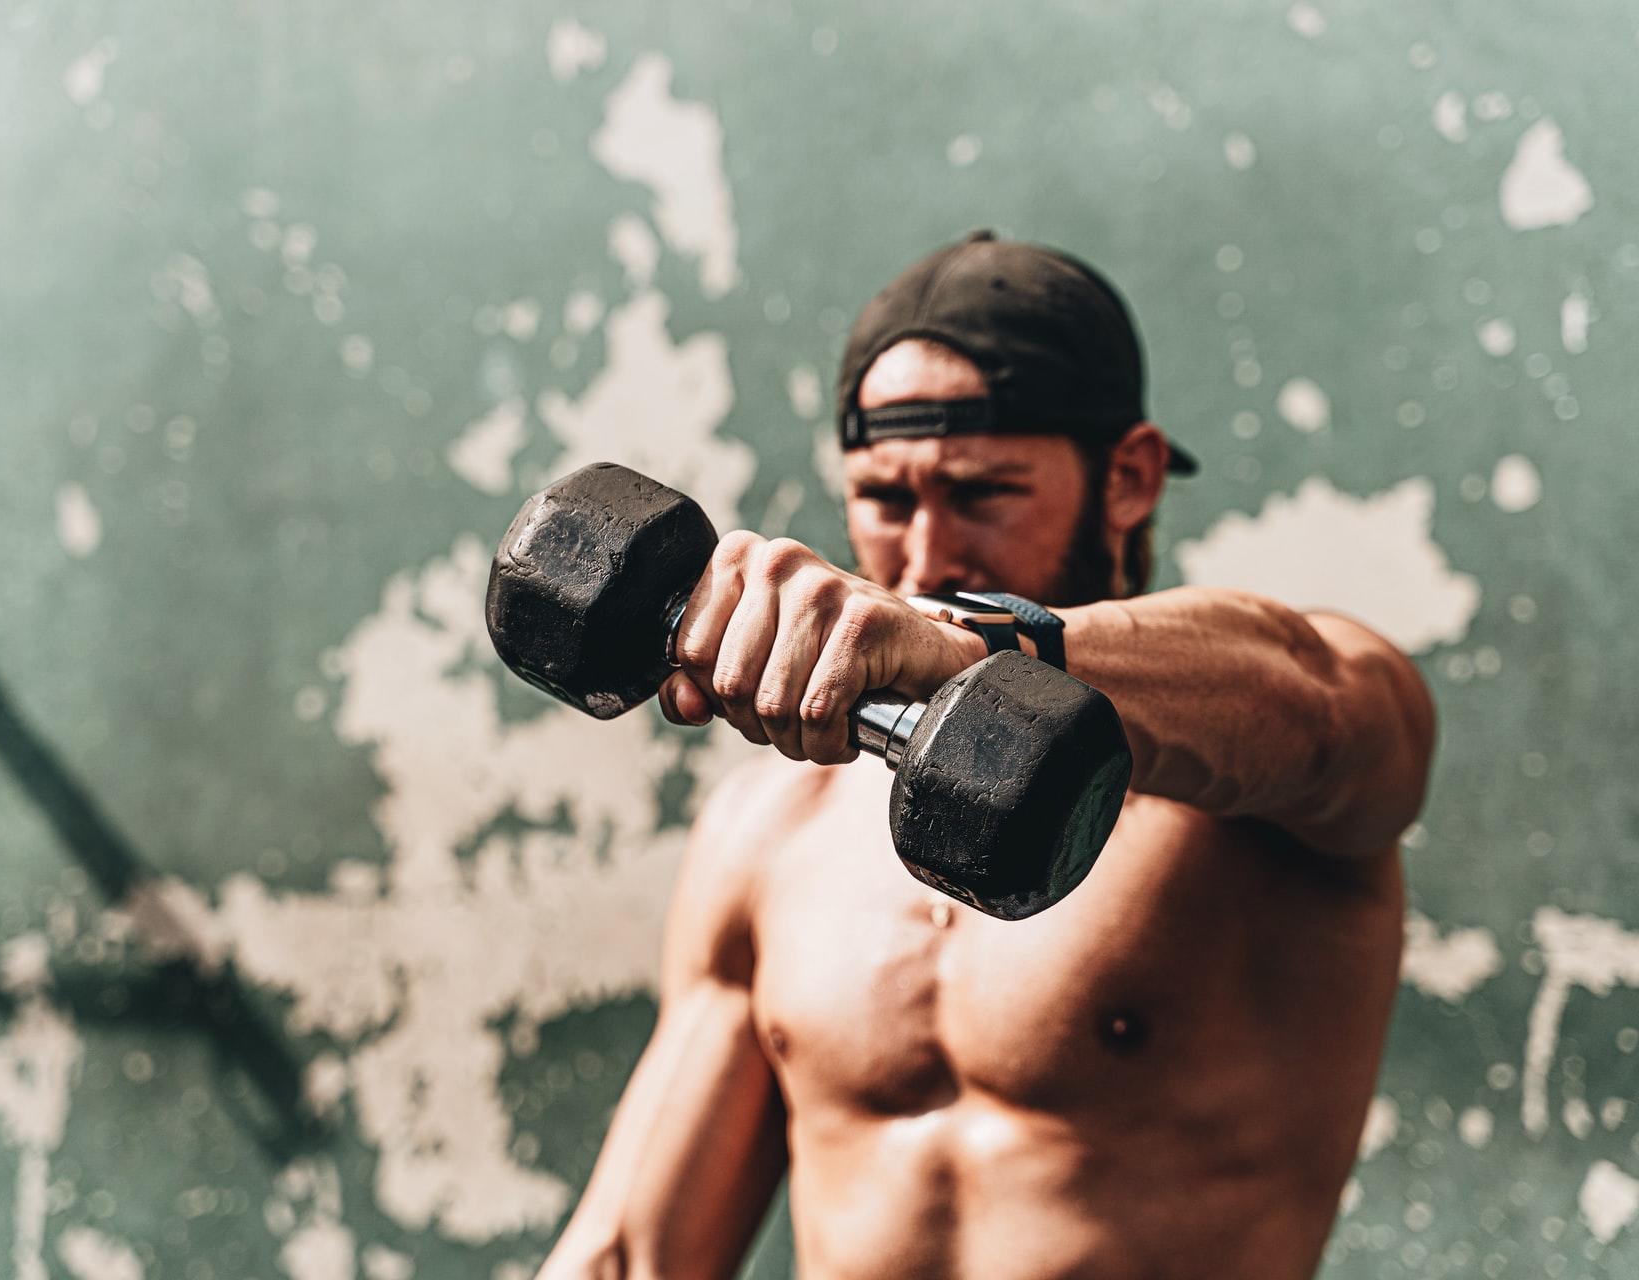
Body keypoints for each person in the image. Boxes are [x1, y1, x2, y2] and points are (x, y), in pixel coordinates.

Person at [537, 231, 1436, 1279]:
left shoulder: (1263, 782)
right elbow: (633, 1253)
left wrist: (979, 647)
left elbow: (1317, 695)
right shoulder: (766, 832)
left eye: (983, 491)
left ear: (1131, 477)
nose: (925, 556)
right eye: (884, 497)